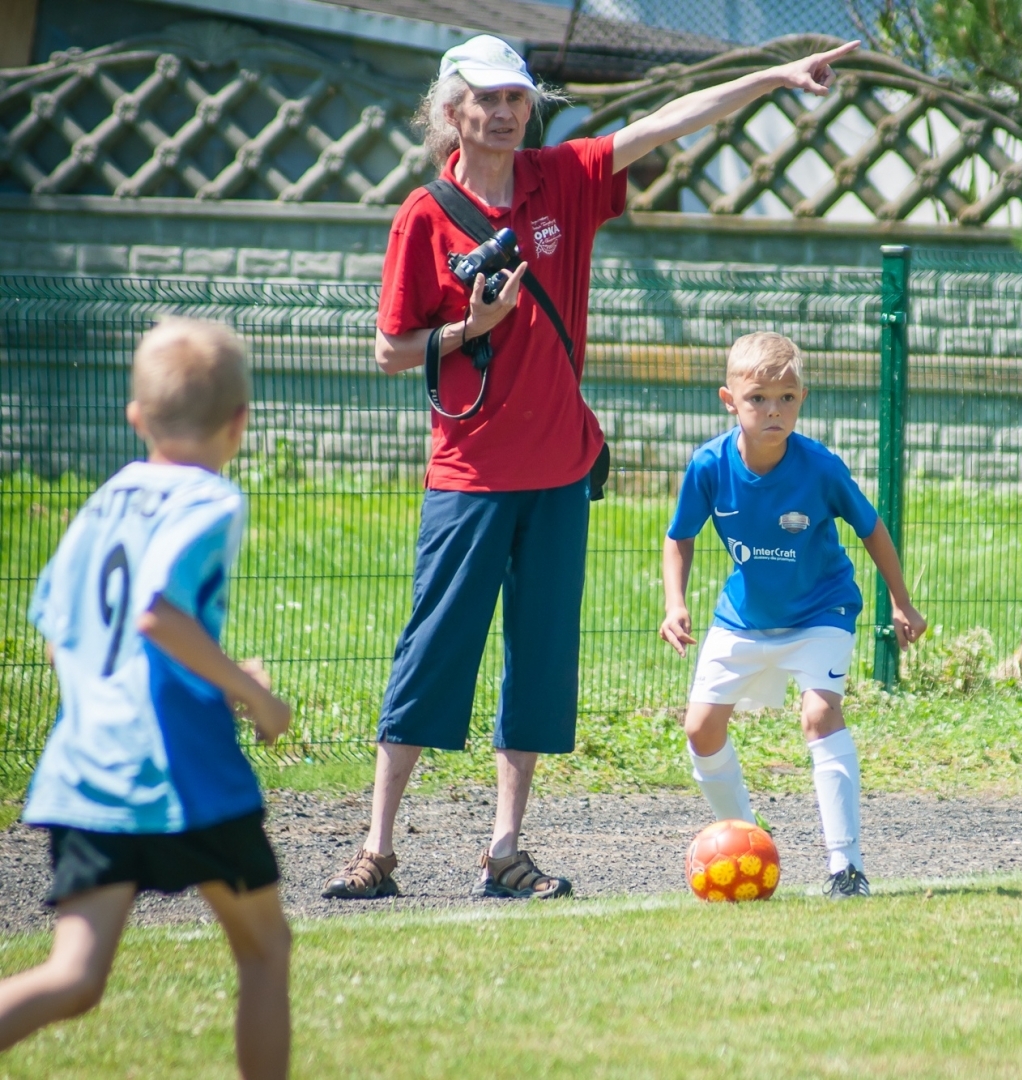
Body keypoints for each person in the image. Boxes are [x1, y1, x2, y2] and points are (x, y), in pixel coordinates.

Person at [323, 35, 864, 901]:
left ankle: (506, 851)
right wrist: (473, 329)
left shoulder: (562, 181)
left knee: (538, 664)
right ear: (451, 111)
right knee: (432, 655)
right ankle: (376, 850)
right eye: (486, 99)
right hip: (468, 476)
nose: (504, 112)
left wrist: (769, 76)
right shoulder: (423, 215)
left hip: (559, 474)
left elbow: (664, 122)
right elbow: (392, 350)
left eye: (516, 98)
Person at [0, 318, 293, 1079]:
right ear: (241, 422)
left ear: (136, 417)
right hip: (183, 773)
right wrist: (249, 694)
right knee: (265, 949)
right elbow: (158, 612)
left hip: (87, 773)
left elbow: (58, 629)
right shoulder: (210, 500)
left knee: (74, 979)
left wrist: (111, 701)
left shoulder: (102, 503)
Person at [659, 332, 926, 898]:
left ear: (802, 398)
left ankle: (845, 868)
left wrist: (901, 601)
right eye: (758, 399)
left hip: (820, 611)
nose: (773, 410)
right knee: (700, 729)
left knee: (818, 716)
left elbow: (872, 530)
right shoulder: (709, 465)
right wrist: (675, 603)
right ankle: (746, 840)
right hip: (743, 618)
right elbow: (678, 537)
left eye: (786, 398)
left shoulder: (821, 467)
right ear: (729, 400)